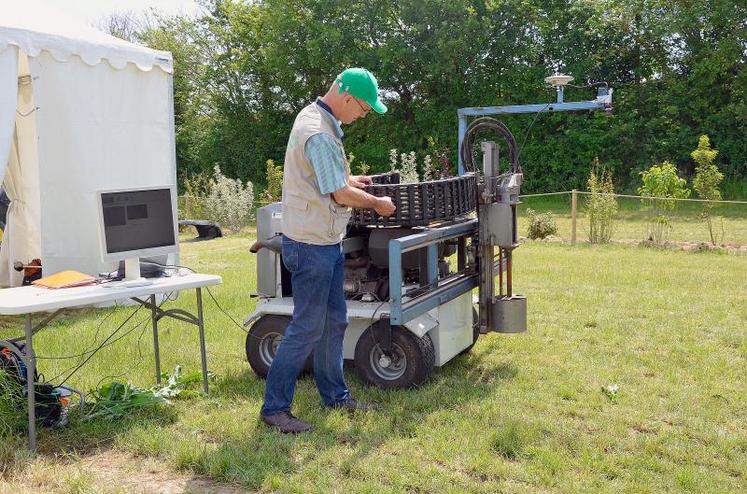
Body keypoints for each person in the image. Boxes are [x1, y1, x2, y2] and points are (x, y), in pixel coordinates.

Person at [260, 68, 396, 433]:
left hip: (324, 241)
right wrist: (376, 201)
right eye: (364, 110)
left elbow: (325, 179)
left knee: (335, 321)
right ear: (348, 97)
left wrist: (350, 179)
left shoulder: (316, 117)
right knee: (305, 328)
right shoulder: (318, 133)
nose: (362, 116)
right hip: (311, 246)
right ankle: (275, 409)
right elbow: (338, 195)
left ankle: (335, 397)